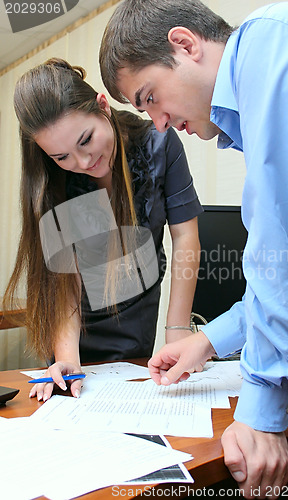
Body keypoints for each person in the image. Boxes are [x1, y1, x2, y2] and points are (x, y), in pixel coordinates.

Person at [99, 1, 288, 498]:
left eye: (151, 96)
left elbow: (287, 255)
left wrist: (262, 413)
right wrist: (210, 340)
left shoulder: (270, 50)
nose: (158, 123)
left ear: (185, 44)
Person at [4, 57, 202, 402]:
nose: (82, 163)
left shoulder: (159, 145)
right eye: (61, 156)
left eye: (86, 140)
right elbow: (66, 276)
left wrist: (178, 330)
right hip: (72, 326)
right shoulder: (56, 178)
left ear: (102, 106)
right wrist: (66, 357)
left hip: (136, 320)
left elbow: (185, 237)